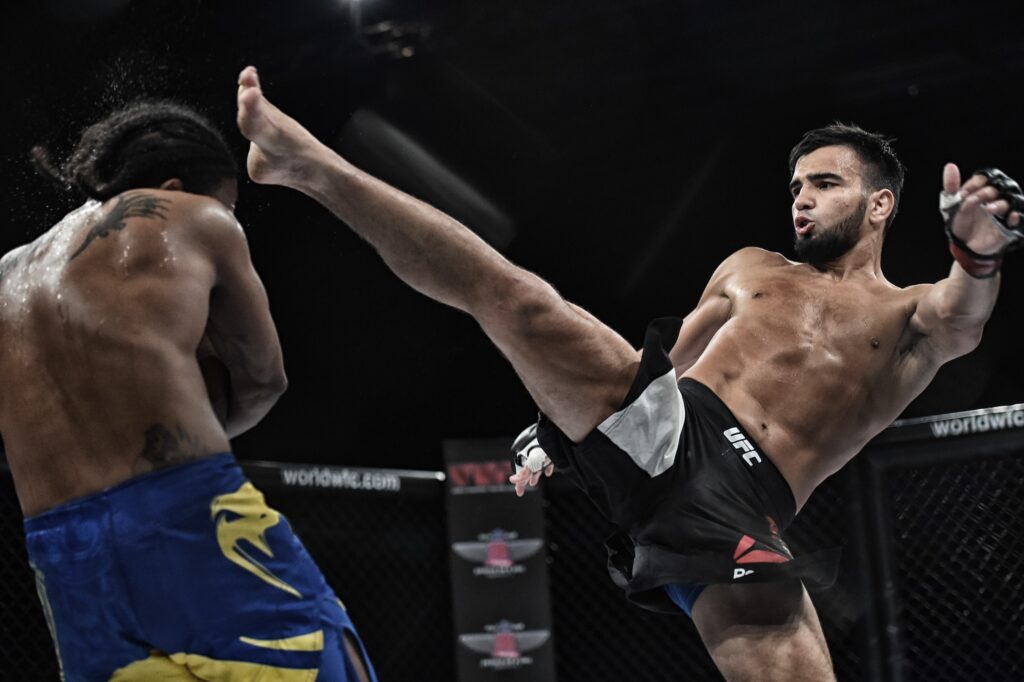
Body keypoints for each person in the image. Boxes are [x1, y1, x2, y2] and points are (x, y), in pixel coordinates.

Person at [234, 64, 1023, 680]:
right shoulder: (750, 267)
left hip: (740, 501)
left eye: (825, 184)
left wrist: (977, 252)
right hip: (668, 424)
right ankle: (310, 165)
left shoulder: (909, 317)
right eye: (796, 186)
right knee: (516, 297)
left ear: (881, 204)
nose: (802, 200)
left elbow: (963, 316)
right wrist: (557, 430)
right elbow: (671, 357)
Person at [0, 100, 376, 681]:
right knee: (332, 663)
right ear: (175, 187)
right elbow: (264, 378)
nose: (225, 215)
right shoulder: (193, 216)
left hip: (61, 554)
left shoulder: (8, 274)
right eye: (227, 204)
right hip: (185, 511)